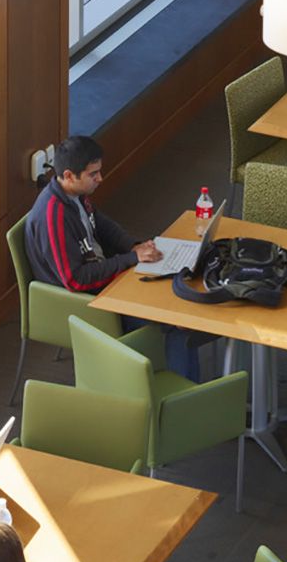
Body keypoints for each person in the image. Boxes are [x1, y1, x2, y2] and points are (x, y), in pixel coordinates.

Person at [23, 133, 202, 379]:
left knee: (171, 289)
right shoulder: (52, 217)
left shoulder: (75, 194)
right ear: (68, 176)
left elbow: (102, 225)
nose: (100, 179)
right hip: (85, 303)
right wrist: (131, 260)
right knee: (176, 323)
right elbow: (75, 280)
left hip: (105, 278)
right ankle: (185, 395)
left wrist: (134, 247)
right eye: (93, 174)